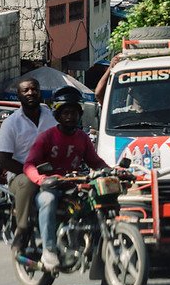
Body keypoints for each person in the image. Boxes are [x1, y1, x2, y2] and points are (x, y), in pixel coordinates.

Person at [23, 86, 109, 271]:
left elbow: (95, 161)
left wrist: (110, 171)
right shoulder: (46, 137)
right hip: (50, 188)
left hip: (74, 188)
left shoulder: (83, 138)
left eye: (74, 113)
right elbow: (28, 165)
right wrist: (41, 180)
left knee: (95, 201)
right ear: (58, 115)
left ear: (80, 115)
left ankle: (92, 247)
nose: (70, 117)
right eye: (66, 113)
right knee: (48, 200)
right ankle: (49, 251)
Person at [0, 79, 58, 256]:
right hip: (20, 176)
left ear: (40, 92)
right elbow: (4, 160)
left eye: (34, 89)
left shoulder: (52, 117)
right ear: (19, 96)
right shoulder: (11, 123)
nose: (31, 93)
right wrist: (31, 171)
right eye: (26, 90)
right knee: (29, 182)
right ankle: (21, 229)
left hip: (51, 174)